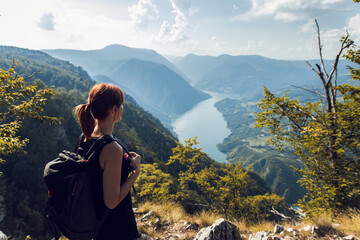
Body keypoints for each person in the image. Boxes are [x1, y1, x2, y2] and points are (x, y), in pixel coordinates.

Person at [74, 83, 141, 240]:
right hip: (115, 228)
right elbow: (111, 202)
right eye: (121, 105)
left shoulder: (84, 138)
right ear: (114, 109)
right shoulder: (112, 149)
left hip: (95, 225)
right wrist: (135, 173)